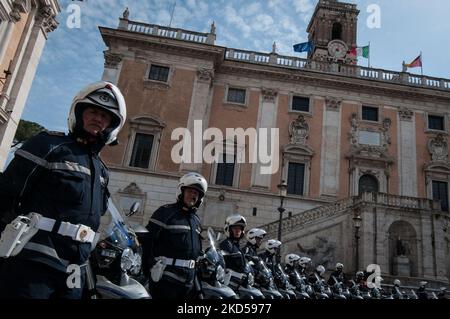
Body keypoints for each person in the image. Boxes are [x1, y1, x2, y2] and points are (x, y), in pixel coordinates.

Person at [0, 81, 126, 298]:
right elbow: (6, 195)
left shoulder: (102, 170)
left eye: (105, 116)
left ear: (111, 126)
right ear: (79, 113)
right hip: (33, 260)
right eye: (93, 111)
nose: (98, 118)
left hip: (74, 269)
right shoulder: (48, 145)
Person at [144, 172, 207, 299]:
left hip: (189, 281)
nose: (193, 195)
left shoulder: (196, 220)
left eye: (196, 193)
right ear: (181, 191)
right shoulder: (165, 212)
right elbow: (147, 240)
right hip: (167, 279)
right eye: (190, 191)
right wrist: (148, 268)